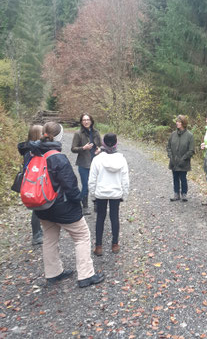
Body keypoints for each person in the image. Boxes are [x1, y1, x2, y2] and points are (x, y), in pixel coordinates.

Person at [30, 122, 104, 288]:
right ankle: (86, 275)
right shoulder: (57, 157)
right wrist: (78, 199)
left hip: (41, 206)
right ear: (58, 137)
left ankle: (53, 273)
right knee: (82, 236)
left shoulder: (33, 153)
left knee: (49, 237)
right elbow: (70, 185)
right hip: (61, 207)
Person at [89, 133, 129, 256]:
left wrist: (93, 196)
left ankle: (99, 247)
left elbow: (92, 180)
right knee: (114, 217)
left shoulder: (97, 159)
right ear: (116, 143)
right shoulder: (121, 159)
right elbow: (125, 180)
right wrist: (124, 195)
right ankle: (115, 244)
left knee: (100, 218)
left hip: (101, 193)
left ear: (103, 144)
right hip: (116, 193)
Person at [17, 124, 44, 245]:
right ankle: (36, 235)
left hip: (31, 181)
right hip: (32, 181)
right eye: (42, 133)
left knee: (37, 208)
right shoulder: (31, 150)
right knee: (36, 208)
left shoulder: (29, 148)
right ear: (37, 135)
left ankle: (38, 232)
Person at [71, 113, 101, 214]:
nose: (86, 121)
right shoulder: (78, 133)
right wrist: (83, 148)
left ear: (91, 121)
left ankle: (97, 204)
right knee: (86, 186)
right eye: (84, 120)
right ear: (81, 122)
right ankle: (84, 206)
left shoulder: (96, 132)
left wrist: (99, 150)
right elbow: (73, 149)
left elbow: (101, 146)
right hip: (84, 164)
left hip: (96, 163)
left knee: (97, 185)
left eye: (88, 119)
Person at [167, 115, 195, 202]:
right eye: (177, 122)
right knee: (175, 177)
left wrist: (183, 159)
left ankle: (184, 194)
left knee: (183, 178)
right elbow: (168, 146)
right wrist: (171, 156)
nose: (177, 123)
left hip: (184, 162)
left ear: (184, 123)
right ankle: (176, 194)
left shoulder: (190, 135)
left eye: (179, 122)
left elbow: (191, 150)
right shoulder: (173, 134)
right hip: (173, 161)